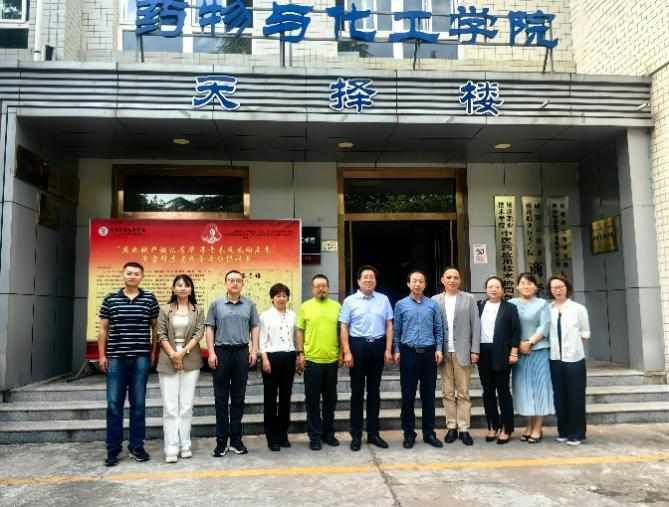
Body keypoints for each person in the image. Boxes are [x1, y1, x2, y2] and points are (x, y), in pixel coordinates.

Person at [98, 262, 159, 467]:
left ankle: (136, 446)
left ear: (142, 277)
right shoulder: (111, 299)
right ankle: (113, 449)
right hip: (116, 358)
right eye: (129, 273)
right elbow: (103, 329)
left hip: (141, 358)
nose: (132, 276)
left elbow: (155, 328)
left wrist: (153, 352)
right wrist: (102, 355)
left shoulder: (149, 299)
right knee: (114, 404)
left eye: (136, 273)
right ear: (123, 275)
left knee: (138, 404)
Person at [339, 265, 393, 451]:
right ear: (358, 281)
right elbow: (344, 326)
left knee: (374, 391)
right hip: (357, 346)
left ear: (376, 281)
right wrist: (347, 351)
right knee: (357, 392)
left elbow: (389, 325)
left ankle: (373, 433)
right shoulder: (349, 301)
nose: (369, 280)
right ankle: (356, 434)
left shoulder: (383, 299)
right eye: (365, 277)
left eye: (372, 277)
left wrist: (388, 349)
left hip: (377, 345)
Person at [206, 270, 259, 457]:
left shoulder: (249, 304)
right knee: (220, 398)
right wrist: (211, 352)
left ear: (243, 284)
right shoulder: (216, 304)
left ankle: (236, 439)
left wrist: (254, 350)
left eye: (238, 280)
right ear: (225, 283)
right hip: (221, 353)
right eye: (231, 280)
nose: (235, 283)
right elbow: (210, 328)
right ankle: (221, 441)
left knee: (238, 398)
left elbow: (255, 327)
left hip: (241, 353)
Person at [156, 274, 204, 463]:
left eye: (186, 285)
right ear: (173, 289)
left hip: (190, 359)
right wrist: (174, 355)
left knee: (186, 406)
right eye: (179, 285)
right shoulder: (164, 309)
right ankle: (171, 447)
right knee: (170, 407)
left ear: (191, 289)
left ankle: (185, 445)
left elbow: (199, 333)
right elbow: (160, 334)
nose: (183, 288)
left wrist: (182, 352)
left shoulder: (198, 309)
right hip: (168, 358)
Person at [393, 270, 444, 449]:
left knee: (428, 396)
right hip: (409, 353)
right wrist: (396, 350)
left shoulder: (432, 304)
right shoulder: (400, 305)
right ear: (408, 283)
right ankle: (409, 434)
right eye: (414, 281)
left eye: (420, 281)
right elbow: (396, 330)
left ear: (425, 284)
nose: (417, 284)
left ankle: (429, 433)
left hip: (429, 354)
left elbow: (438, 329)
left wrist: (439, 349)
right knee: (408, 396)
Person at [432, 266, 480, 446]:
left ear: (460, 280)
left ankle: (464, 428)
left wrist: (475, 350)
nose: (452, 280)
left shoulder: (469, 299)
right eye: (448, 277)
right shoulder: (435, 300)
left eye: (455, 277)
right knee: (447, 393)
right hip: (444, 352)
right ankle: (451, 426)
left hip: (464, 351)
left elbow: (476, 325)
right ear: (442, 280)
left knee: (463, 392)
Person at [296, 274, 343, 451]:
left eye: (324, 285)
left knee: (330, 400)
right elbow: (299, 331)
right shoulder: (305, 307)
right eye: (317, 286)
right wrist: (300, 353)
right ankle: (315, 435)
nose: (321, 289)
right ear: (312, 288)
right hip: (312, 361)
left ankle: (328, 433)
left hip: (331, 360)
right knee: (312, 400)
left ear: (328, 287)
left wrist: (341, 352)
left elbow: (341, 331)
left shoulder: (337, 306)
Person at [476, 276, 521, 445]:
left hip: (502, 352)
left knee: (503, 391)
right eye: (490, 287)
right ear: (486, 289)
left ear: (502, 289)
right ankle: (493, 426)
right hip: (483, 352)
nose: (493, 289)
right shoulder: (480, 306)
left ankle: (506, 428)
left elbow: (516, 331)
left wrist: (514, 352)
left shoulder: (510, 308)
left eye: (497, 287)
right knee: (488, 392)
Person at [509, 272, 553, 444]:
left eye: (529, 283)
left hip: (538, 352)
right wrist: (519, 345)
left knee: (540, 388)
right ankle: (528, 426)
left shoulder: (542, 304)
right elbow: (509, 326)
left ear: (535, 287)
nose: (526, 286)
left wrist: (529, 342)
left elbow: (544, 326)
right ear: (517, 286)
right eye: (522, 283)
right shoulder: (511, 303)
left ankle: (537, 428)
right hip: (519, 353)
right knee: (524, 390)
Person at [547, 275, 590, 446]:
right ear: (550, 290)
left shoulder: (578, 309)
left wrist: (572, 347)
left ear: (567, 288)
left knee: (576, 397)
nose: (558, 290)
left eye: (561, 286)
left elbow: (585, 333)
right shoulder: (548, 309)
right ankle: (563, 431)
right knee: (559, 397)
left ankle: (577, 433)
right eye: (554, 287)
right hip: (555, 359)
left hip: (574, 359)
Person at [259, 283, 298, 452]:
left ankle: (283, 434)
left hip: (289, 357)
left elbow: (295, 337)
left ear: (288, 298)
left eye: (284, 296)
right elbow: (261, 339)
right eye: (278, 296)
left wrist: (297, 356)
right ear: (272, 298)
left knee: (285, 398)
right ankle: (271, 437)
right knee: (270, 399)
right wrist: (265, 359)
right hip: (271, 358)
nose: (281, 299)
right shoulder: (265, 316)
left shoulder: (293, 315)